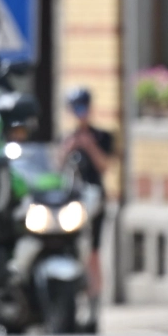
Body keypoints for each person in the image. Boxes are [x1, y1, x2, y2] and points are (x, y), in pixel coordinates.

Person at [61, 87, 116, 316]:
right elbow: (56, 167)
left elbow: (105, 165)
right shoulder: (67, 138)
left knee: (93, 251)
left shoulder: (102, 136)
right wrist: (68, 148)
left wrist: (89, 146)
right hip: (71, 202)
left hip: (96, 199)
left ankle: (94, 300)